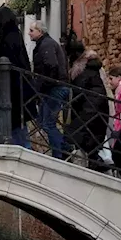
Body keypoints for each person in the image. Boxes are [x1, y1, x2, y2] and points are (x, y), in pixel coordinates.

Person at [0, 6, 36, 147]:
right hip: (17, 82)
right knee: (16, 116)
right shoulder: (15, 34)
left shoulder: (6, 37)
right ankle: (21, 145)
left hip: (12, 83)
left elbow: (5, 58)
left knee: (11, 113)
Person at [65, 44, 110, 171]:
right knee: (92, 136)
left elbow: (78, 92)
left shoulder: (82, 71)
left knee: (78, 134)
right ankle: (95, 161)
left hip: (88, 108)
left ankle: (93, 161)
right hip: (98, 107)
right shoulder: (94, 70)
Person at [28, 20, 69, 159]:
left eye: (31, 30)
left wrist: (41, 87)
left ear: (40, 31)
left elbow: (51, 66)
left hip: (55, 87)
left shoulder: (46, 44)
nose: (29, 33)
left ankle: (60, 153)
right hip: (53, 87)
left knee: (48, 123)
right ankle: (63, 148)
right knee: (43, 122)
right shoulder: (45, 44)